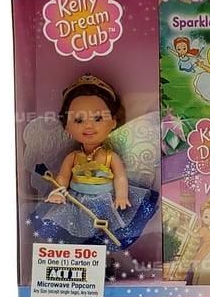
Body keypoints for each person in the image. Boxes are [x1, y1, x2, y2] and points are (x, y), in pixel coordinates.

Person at [29, 74, 158, 250]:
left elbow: (120, 177)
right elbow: (63, 177)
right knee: (73, 230)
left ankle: (101, 258)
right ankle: (81, 256)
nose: (88, 125)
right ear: (66, 125)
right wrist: (58, 192)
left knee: (106, 232)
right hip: (76, 201)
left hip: (105, 200)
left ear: (113, 122)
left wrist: (121, 195)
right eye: (78, 120)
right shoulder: (73, 157)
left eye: (98, 119)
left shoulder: (110, 156)